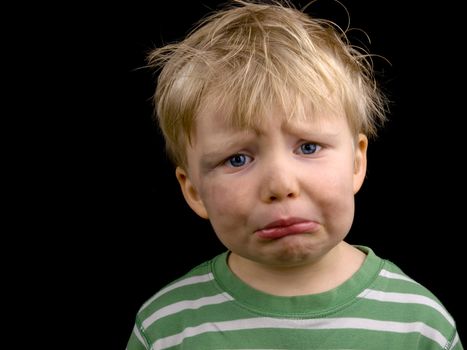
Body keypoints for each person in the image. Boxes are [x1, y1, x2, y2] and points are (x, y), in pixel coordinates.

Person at [126, 1, 463, 349]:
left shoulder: (418, 323)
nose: (281, 186)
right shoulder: (167, 329)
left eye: (308, 147)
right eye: (238, 159)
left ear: (356, 164)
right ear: (194, 190)